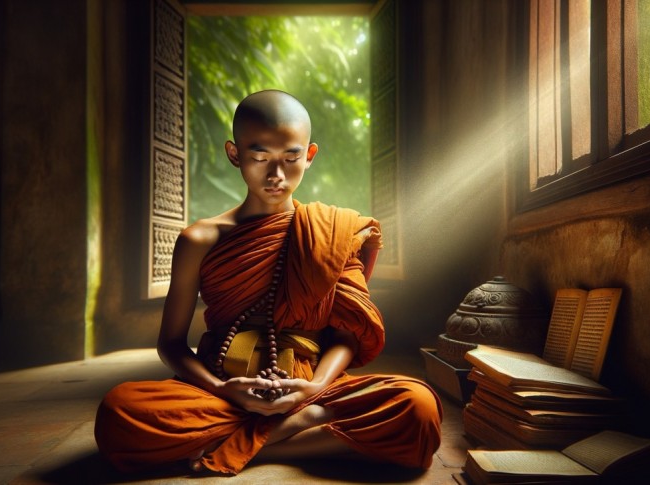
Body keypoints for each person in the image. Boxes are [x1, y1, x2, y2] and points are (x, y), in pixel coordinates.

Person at [94, 90, 443, 475]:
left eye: (291, 158)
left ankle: (252, 445)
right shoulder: (200, 240)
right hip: (226, 390)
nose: (276, 175)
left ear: (309, 156)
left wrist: (315, 388)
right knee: (118, 414)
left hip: (310, 391)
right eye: (260, 158)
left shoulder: (331, 232)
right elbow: (172, 344)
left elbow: (347, 334)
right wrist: (222, 387)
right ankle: (295, 434)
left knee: (417, 407)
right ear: (235, 154)